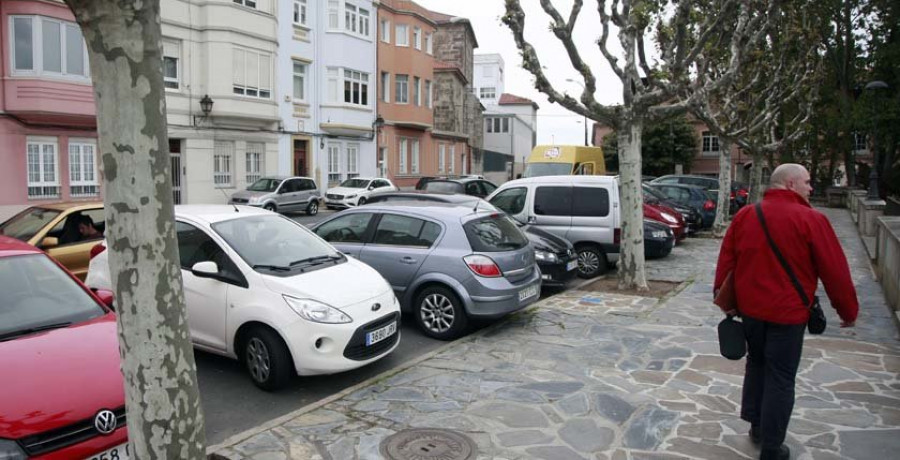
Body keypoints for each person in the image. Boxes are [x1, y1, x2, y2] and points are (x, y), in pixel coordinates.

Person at [714, 163, 858, 460]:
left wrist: (725, 301)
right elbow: (835, 271)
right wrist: (847, 310)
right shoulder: (811, 220)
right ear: (791, 184)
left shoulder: (745, 216)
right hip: (788, 315)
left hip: (751, 311)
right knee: (780, 377)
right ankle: (771, 447)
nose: (811, 187)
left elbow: (727, 262)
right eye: (807, 182)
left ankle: (757, 427)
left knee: (756, 365)